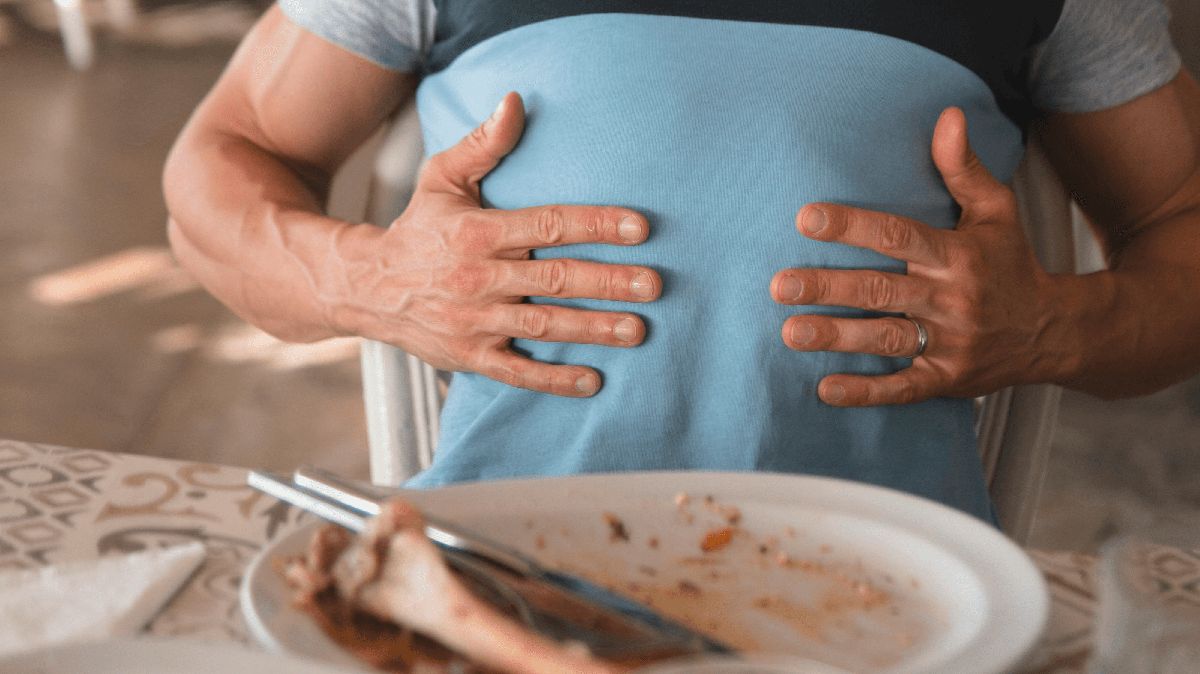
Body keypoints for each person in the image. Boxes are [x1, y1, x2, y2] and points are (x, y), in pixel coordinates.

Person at [163, 0, 1200, 523]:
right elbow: (221, 163)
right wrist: (374, 278)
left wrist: (1056, 324)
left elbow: (1180, 221)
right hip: (497, 565)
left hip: (890, 595)